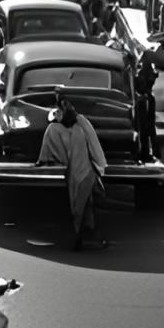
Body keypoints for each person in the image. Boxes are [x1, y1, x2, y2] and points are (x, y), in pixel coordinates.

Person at [37, 89, 108, 251]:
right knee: (78, 204)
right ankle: (80, 234)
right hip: (69, 171)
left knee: (83, 203)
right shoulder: (54, 128)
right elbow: (51, 149)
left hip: (84, 171)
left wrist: (100, 166)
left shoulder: (81, 124)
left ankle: (85, 234)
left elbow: (94, 145)